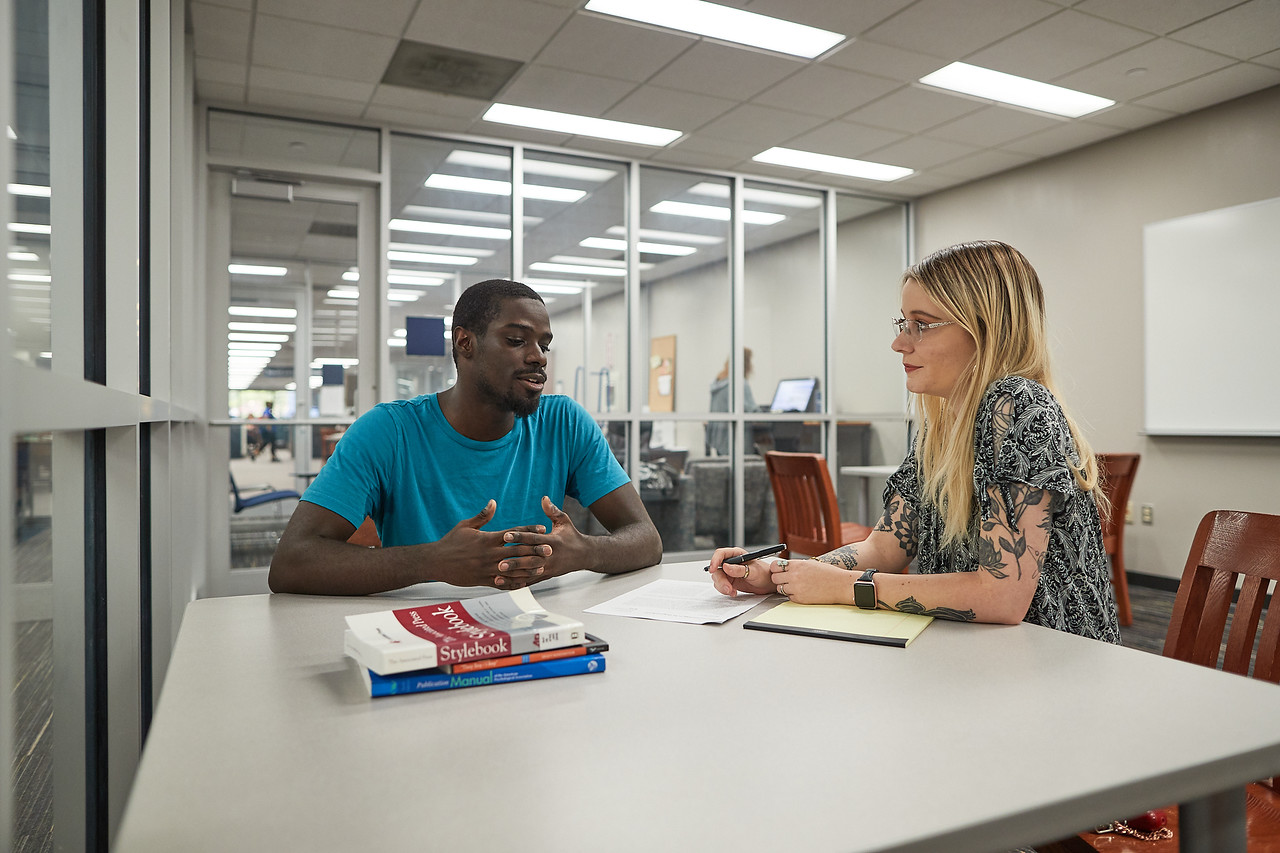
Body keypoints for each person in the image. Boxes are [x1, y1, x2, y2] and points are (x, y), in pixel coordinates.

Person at [709, 241, 1120, 642]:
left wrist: (846, 586)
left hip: (1056, 663)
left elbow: (1002, 596)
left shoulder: (1016, 405)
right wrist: (784, 574)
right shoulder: (943, 427)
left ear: (985, 331)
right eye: (903, 323)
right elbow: (885, 547)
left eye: (922, 325)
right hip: (983, 654)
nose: (899, 342)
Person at [269, 279, 663, 595]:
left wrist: (584, 551)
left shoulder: (564, 422)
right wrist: (432, 561)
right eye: (516, 340)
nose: (538, 357)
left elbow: (646, 540)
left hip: (540, 630)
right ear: (465, 343)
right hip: (422, 634)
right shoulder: (388, 431)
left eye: (543, 345)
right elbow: (292, 562)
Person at [705, 348, 757, 457]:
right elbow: (752, 411)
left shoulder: (719, 383)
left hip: (719, 439)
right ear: (746, 364)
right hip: (736, 441)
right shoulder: (740, 383)